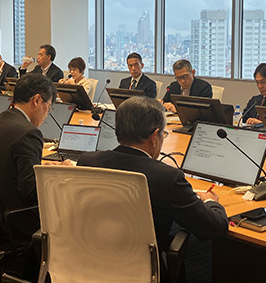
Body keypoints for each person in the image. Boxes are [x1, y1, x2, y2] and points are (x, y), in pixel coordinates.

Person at [78, 95, 228, 249]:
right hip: (143, 261)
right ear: (154, 137)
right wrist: (211, 202)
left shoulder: (87, 162)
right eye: (163, 133)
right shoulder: (167, 177)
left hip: (89, 253)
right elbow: (215, 228)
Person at [0, 74, 61, 243]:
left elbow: (7, 166)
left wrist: (41, 169)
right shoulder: (29, 133)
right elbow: (31, 192)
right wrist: (55, 177)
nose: (46, 115)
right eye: (48, 108)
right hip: (10, 221)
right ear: (37, 100)